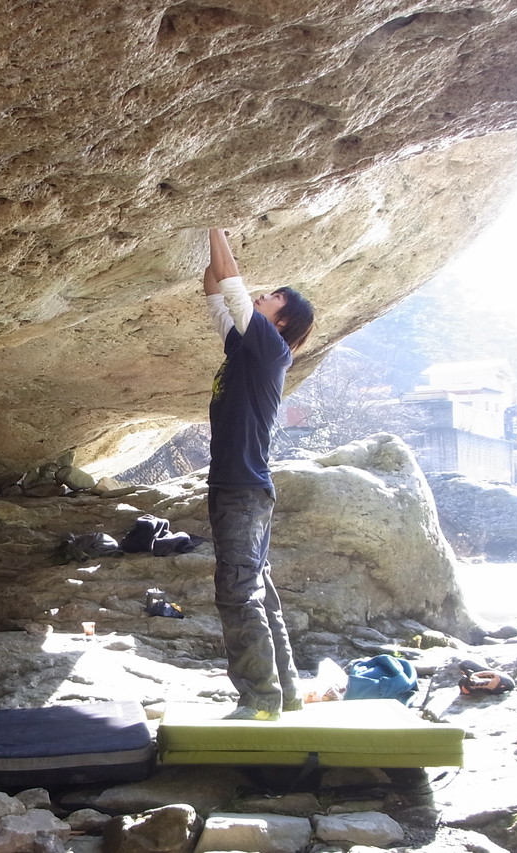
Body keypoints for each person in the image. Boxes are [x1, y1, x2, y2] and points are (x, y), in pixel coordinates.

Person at [201, 227, 315, 721]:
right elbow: (214, 290)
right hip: (240, 487)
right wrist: (203, 237)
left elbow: (232, 284)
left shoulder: (271, 348)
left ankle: (260, 701)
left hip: (242, 490)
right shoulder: (244, 350)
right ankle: (284, 694)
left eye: (272, 298)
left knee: (237, 592)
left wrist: (214, 223)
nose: (262, 297)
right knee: (256, 592)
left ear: (281, 320)